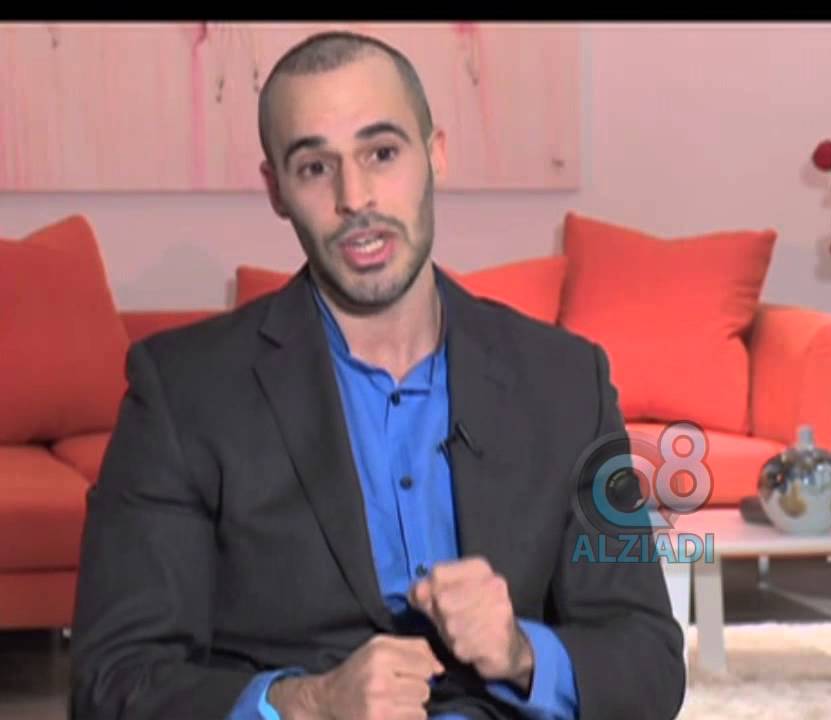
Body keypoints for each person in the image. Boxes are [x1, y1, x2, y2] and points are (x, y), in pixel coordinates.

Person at [67, 30, 686, 720]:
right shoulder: (182, 393)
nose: (354, 197)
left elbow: (649, 663)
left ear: (435, 154)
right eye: (314, 167)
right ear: (276, 190)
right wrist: (306, 702)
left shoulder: (568, 382)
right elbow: (112, 682)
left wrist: (522, 653)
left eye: (382, 153)